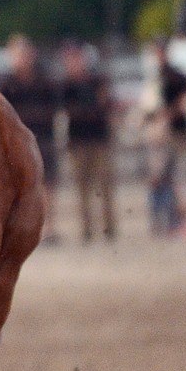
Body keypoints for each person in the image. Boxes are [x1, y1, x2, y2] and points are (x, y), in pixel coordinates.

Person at [0, 34, 62, 244]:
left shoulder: (45, 80)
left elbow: (54, 108)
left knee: (47, 184)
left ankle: (48, 227)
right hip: (17, 142)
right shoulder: (7, 83)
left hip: (43, 138)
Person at [58, 39, 116, 243]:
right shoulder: (66, 85)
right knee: (82, 187)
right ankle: (87, 228)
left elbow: (105, 106)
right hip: (78, 140)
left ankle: (109, 227)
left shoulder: (96, 80)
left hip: (99, 139)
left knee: (105, 184)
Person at [143, 38, 186, 237]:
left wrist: (165, 117)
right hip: (159, 133)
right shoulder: (158, 76)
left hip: (173, 132)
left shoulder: (175, 77)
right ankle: (162, 222)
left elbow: (183, 103)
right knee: (159, 178)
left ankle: (177, 222)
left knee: (175, 179)